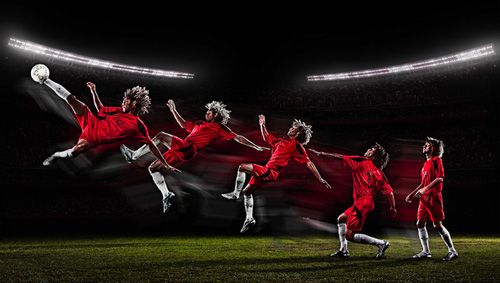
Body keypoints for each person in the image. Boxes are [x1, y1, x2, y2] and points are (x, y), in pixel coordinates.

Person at [120, 100, 267, 212]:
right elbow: (184, 125)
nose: (206, 114)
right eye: (207, 112)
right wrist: (173, 109)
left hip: (188, 148)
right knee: (153, 168)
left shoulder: (219, 128)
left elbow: (238, 137)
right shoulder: (199, 124)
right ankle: (167, 194)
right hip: (182, 150)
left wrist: (254, 146)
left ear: (216, 115)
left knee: (161, 136)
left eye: (209, 112)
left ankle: (134, 155)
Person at [34, 70, 173, 174]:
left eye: (126, 101)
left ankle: (56, 155)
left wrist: (164, 162)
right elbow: (101, 109)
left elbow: (152, 145)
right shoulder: (118, 110)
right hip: (92, 122)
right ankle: (46, 80)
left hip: (92, 139)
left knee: (75, 152)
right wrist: (94, 91)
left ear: (135, 103)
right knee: (72, 100)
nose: (123, 102)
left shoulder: (138, 126)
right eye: (123, 100)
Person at [221, 115, 332, 233]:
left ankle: (235, 194)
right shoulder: (281, 141)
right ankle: (249, 218)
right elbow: (266, 137)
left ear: (298, 133)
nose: (290, 129)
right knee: (247, 192)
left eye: (293, 128)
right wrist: (262, 125)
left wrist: (320, 178)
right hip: (266, 170)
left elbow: (309, 163)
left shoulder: (296, 146)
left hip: (270, 172)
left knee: (242, 167)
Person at [310, 144, 397, 259]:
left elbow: (340, 157)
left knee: (350, 235)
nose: (368, 150)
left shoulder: (361, 161)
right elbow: (389, 192)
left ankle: (381, 243)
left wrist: (321, 154)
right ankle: (343, 251)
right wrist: (392, 207)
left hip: (362, 202)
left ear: (374, 156)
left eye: (371, 150)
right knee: (341, 219)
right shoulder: (379, 173)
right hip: (366, 202)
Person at [405, 137, 458, 261]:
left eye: (428, 145)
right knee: (420, 223)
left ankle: (452, 251)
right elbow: (423, 183)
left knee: (437, 225)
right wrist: (411, 194)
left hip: (433, 196)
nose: (424, 146)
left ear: (434, 148)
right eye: (425, 144)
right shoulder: (425, 164)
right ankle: (426, 251)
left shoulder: (437, 160)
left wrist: (424, 190)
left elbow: (440, 178)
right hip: (424, 198)